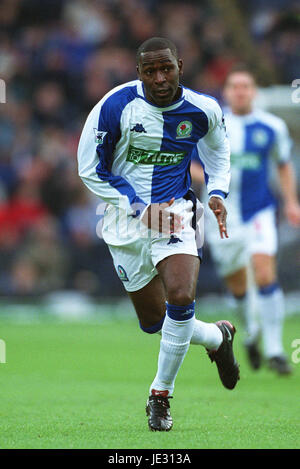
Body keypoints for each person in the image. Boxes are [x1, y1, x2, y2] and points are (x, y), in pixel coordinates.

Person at [77, 37, 240, 432]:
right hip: (124, 223)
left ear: (180, 65)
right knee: (156, 322)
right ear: (139, 73)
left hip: (176, 214)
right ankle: (218, 338)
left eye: (166, 68)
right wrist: (138, 207)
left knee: (181, 298)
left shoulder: (203, 110)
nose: (159, 78)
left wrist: (216, 193)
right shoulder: (115, 106)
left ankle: (160, 395)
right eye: (150, 71)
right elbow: (89, 168)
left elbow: (218, 154)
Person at [191, 64, 300, 375]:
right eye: (234, 87)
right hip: (221, 215)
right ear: (226, 93)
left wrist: (291, 202)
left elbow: (283, 165)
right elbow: (188, 163)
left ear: (253, 92)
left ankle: (277, 350)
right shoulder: (212, 124)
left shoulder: (271, 127)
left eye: (246, 87)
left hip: (259, 211)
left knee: (265, 274)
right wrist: (214, 179)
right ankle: (252, 334)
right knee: (237, 285)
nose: (240, 92)